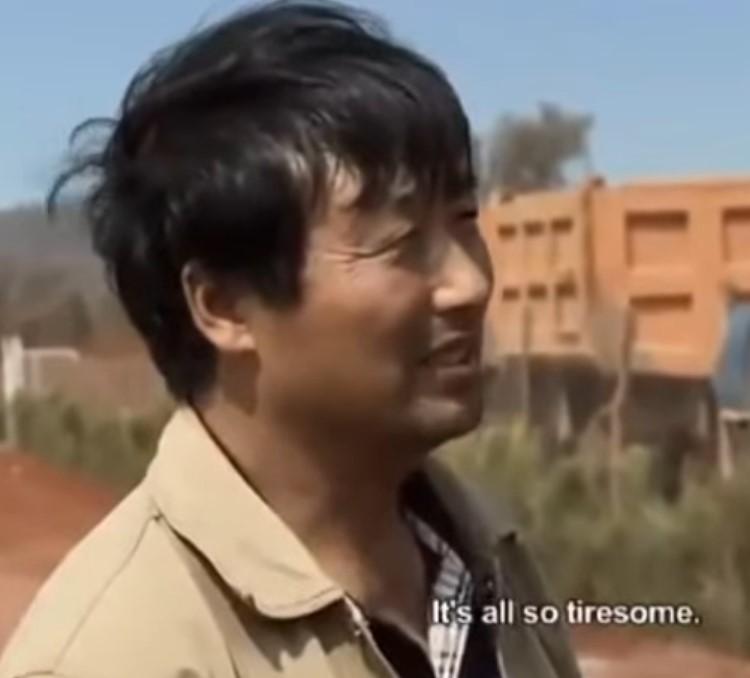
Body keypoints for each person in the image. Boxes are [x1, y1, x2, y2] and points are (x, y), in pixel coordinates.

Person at [0, 2, 581, 677]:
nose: (470, 283)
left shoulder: (486, 556)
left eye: (464, 217)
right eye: (400, 241)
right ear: (223, 307)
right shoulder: (114, 657)